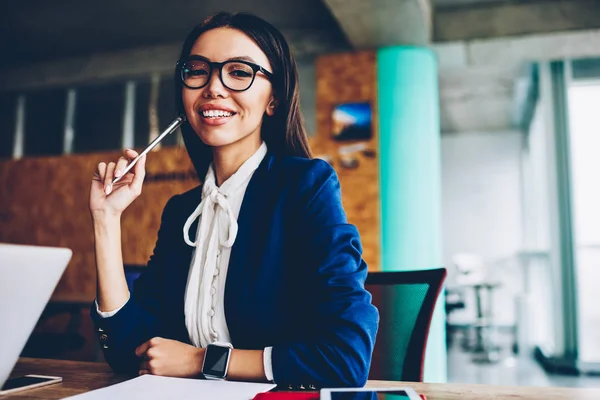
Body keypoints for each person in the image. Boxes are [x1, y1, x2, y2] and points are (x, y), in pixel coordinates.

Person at [89, 12, 378, 388]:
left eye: (239, 72)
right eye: (197, 71)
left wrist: (202, 360)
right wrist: (106, 220)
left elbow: (346, 357)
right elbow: (130, 350)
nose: (213, 87)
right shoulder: (181, 212)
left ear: (273, 99)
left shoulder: (306, 186)